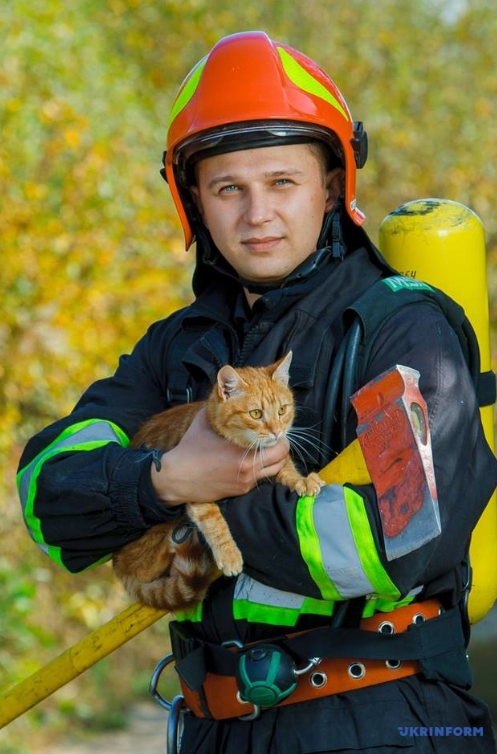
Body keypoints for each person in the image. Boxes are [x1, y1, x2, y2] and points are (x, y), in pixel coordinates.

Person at [18, 30, 497, 754]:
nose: (256, 214)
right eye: (227, 188)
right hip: (211, 728)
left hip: (381, 721)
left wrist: (221, 500)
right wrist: (166, 477)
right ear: (194, 204)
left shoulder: (402, 333)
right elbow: (48, 494)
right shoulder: (177, 347)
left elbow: (398, 542)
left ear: (332, 185)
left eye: (281, 182)